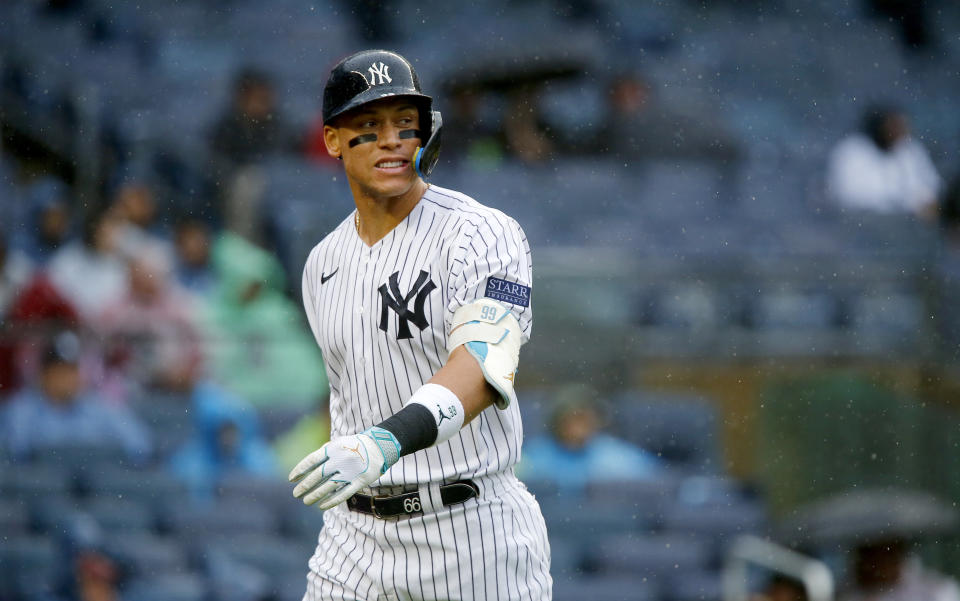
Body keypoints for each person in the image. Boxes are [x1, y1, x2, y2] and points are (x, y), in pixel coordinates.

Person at [287, 50, 550, 600]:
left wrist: (385, 441)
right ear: (333, 141)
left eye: (406, 123)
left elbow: (482, 366)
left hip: (472, 535)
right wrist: (360, 452)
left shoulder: (483, 234)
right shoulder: (321, 264)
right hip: (354, 541)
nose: (391, 139)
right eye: (369, 125)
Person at [0, 330, 152, 463]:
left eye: (72, 370)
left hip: (96, 493)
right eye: (60, 370)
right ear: (44, 374)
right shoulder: (21, 409)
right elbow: (15, 456)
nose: (68, 378)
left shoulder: (102, 407)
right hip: (38, 494)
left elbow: (140, 446)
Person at [518, 383, 663, 495]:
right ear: (556, 421)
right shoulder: (532, 458)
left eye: (582, 418)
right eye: (569, 418)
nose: (576, 427)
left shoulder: (617, 457)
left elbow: (661, 482)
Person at [826, 106, 941, 219]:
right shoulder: (853, 151)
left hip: (908, 222)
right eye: (894, 126)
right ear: (880, 127)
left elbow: (930, 184)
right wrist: (908, 203)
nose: (901, 131)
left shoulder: (910, 150)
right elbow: (852, 195)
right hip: (861, 222)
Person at [839, 537, 960, 601]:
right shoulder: (849, 593)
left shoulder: (936, 589)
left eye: (884, 556)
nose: (876, 564)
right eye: (870, 557)